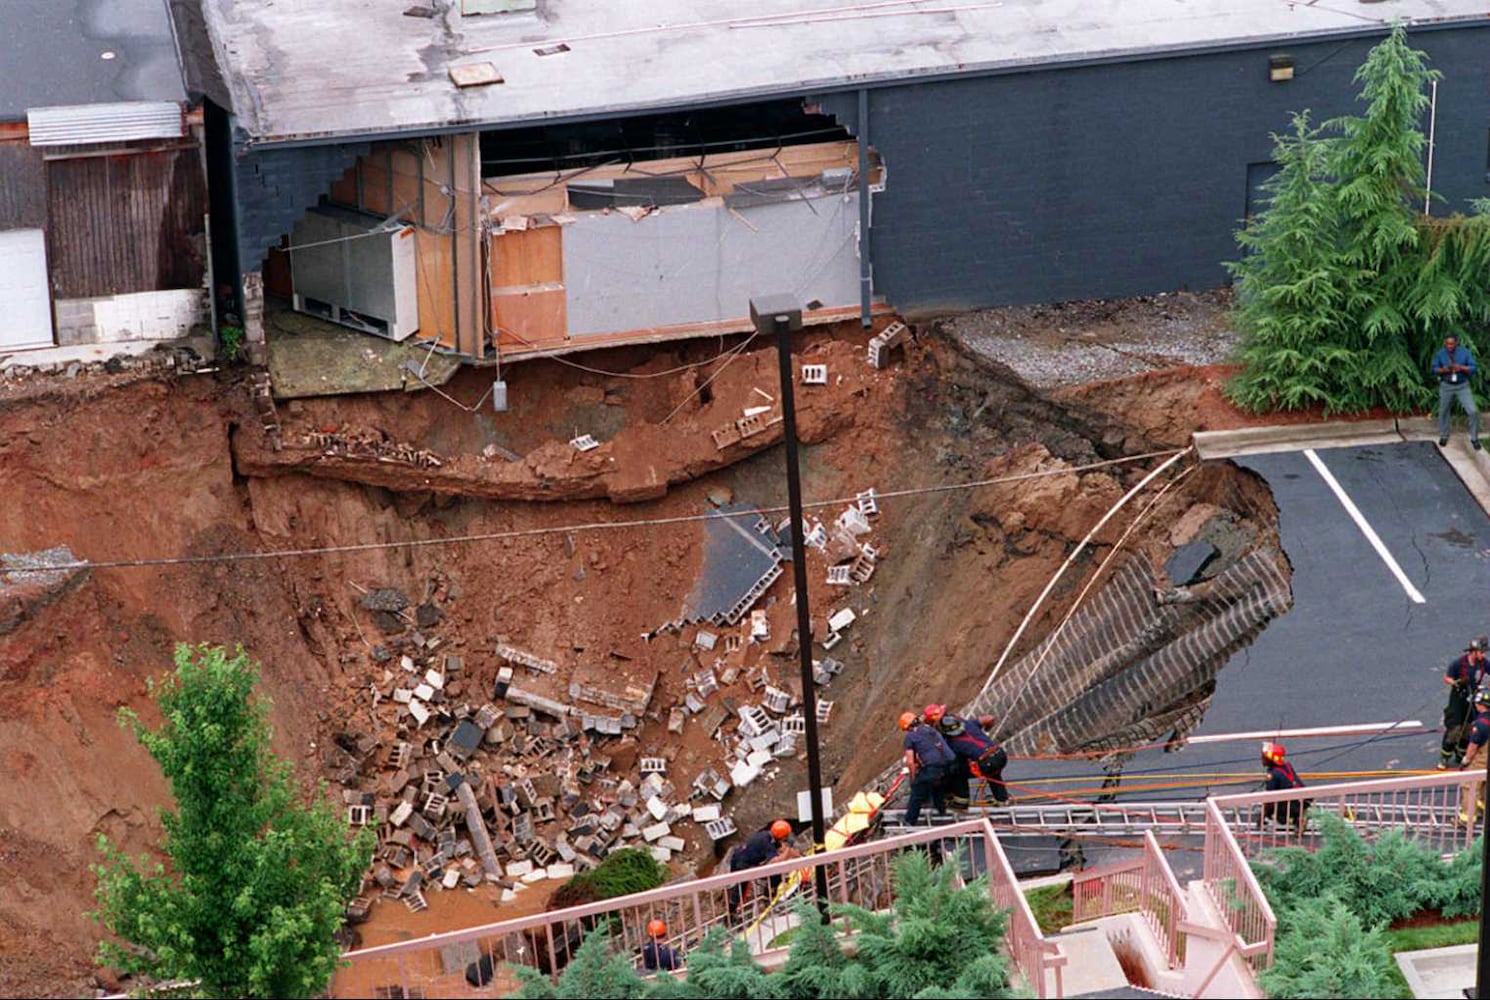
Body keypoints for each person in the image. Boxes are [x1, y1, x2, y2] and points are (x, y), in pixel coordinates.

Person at [925, 703, 1010, 806]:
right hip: (1000, 754)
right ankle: (1002, 800)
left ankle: (961, 800)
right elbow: (990, 718)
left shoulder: (953, 743)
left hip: (988, 763)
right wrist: (987, 730)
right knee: (993, 773)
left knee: (956, 771)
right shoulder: (969, 724)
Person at [726, 819, 795, 916]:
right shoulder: (766, 842)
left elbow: (779, 848)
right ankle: (731, 915)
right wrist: (789, 849)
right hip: (742, 864)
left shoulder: (768, 835)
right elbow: (774, 861)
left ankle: (767, 899)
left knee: (775, 875)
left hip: (741, 858)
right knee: (741, 888)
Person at [1440, 637, 1489, 769]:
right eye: (1481, 652)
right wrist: (1456, 682)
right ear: (1474, 651)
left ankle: (1460, 754)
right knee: (1454, 729)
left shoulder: (1484, 663)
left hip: (1472, 700)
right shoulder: (1459, 663)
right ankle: (1445, 757)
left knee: (1468, 728)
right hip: (1458, 699)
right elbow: (1447, 678)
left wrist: (1485, 688)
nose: (1483, 655)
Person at [900, 710, 955, 825]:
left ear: (908, 727)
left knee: (917, 793)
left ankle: (909, 821)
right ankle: (941, 811)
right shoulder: (930, 729)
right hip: (949, 766)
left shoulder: (910, 737)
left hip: (933, 767)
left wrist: (913, 779)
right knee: (937, 785)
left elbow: (910, 762)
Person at [1432, 334, 1481, 449]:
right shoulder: (1440, 354)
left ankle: (1474, 438)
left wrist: (1462, 368)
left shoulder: (1465, 352)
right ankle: (1444, 435)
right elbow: (1434, 369)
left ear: (1456, 343)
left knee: (1473, 411)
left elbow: (1473, 367)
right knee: (1443, 411)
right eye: (1447, 343)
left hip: (1462, 386)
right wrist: (1442, 370)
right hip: (1446, 385)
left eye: (1451, 344)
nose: (1449, 346)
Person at [1259, 742, 1309, 833]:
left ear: (1271, 759)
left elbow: (1269, 800)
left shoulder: (1273, 775)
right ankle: (1300, 813)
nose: (1261, 759)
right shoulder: (1287, 766)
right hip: (1303, 799)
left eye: (1264, 757)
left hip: (1292, 804)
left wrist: (1261, 817)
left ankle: (1297, 819)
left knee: (1278, 816)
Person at [1458, 689, 1490, 824]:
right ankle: (1483, 806)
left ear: (1481, 705)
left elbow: (1473, 746)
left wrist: (1466, 760)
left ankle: (1467, 819)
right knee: (1484, 785)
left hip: (1481, 760)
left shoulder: (1480, 724)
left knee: (1469, 786)